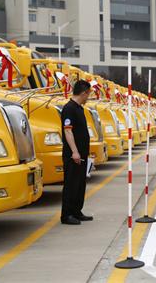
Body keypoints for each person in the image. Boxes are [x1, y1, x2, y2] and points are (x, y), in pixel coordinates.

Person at [60, 80, 93, 225]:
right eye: (88, 94)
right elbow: (68, 132)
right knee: (71, 184)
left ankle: (76, 211)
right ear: (84, 92)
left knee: (80, 185)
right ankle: (66, 215)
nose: (88, 98)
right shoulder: (69, 108)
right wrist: (74, 152)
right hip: (73, 155)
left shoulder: (79, 108)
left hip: (82, 154)